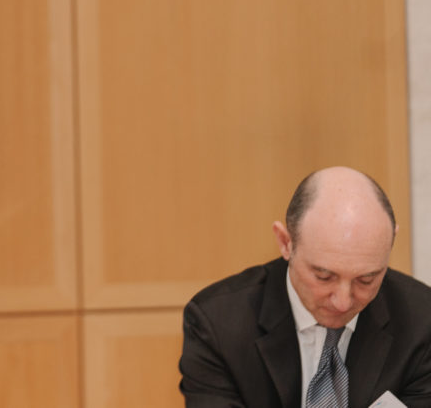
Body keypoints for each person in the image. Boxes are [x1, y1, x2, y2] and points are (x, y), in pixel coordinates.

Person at [179, 166, 431, 407]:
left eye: (366, 279)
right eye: (324, 276)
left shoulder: (422, 321)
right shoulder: (219, 325)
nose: (343, 302)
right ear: (285, 242)